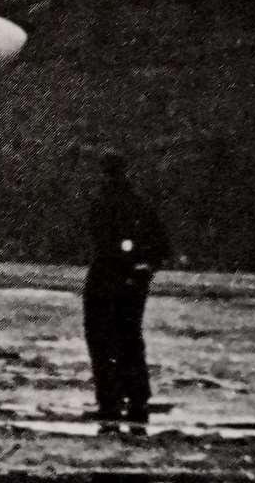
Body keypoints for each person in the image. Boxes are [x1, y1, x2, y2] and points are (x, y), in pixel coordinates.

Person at [83, 149, 172, 427]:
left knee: (103, 338)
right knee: (128, 338)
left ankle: (112, 399)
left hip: (110, 277)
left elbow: (106, 241)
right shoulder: (138, 204)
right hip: (129, 279)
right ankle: (134, 397)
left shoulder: (106, 203)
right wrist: (145, 268)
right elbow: (161, 245)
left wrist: (138, 265)